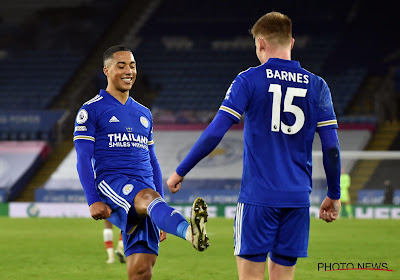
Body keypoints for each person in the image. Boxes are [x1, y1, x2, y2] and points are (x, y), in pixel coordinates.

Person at [167, 12, 341, 280]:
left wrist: (180, 171)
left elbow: (215, 133)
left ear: (260, 44)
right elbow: (331, 148)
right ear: (291, 43)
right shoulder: (318, 86)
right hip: (296, 200)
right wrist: (334, 193)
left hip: (258, 198)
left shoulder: (248, 80)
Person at [74, 45, 209, 280]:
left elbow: (153, 160)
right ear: (106, 70)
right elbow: (83, 157)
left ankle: (172, 221)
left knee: (141, 271)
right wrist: (92, 200)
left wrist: (161, 212)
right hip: (114, 183)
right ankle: (190, 233)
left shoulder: (144, 113)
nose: (129, 71)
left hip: (147, 198)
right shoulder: (91, 109)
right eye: (121, 65)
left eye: (133, 66)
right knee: (148, 196)